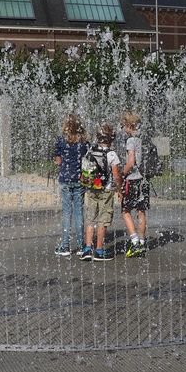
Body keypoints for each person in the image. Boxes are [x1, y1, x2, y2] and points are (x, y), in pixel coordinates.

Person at [78, 123, 121, 262]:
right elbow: (116, 176)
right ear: (111, 138)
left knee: (90, 219)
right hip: (106, 191)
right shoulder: (112, 154)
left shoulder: (90, 150)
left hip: (91, 189)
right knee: (102, 220)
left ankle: (87, 249)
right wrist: (119, 189)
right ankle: (99, 250)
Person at [53, 114, 88, 256]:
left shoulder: (60, 141)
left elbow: (58, 161)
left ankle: (65, 246)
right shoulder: (84, 142)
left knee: (67, 213)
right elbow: (87, 159)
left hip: (65, 179)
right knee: (79, 212)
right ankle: (81, 246)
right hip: (79, 180)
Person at [119, 111, 150, 257]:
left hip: (132, 180)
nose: (123, 128)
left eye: (123, 125)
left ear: (129, 125)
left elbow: (131, 162)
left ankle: (135, 241)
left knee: (125, 211)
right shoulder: (142, 139)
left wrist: (122, 174)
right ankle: (143, 243)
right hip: (143, 180)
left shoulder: (131, 140)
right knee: (141, 211)